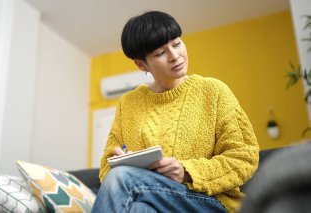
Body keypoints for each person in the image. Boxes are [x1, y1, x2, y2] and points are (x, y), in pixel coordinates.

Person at [91, 11, 259, 213]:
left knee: (121, 178)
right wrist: (122, 162)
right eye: (161, 53)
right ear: (141, 64)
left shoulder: (213, 91)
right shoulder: (128, 104)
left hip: (210, 204)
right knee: (138, 208)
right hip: (151, 200)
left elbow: (244, 158)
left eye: (177, 43)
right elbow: (107, 169)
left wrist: (187, 172)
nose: (175, 56)